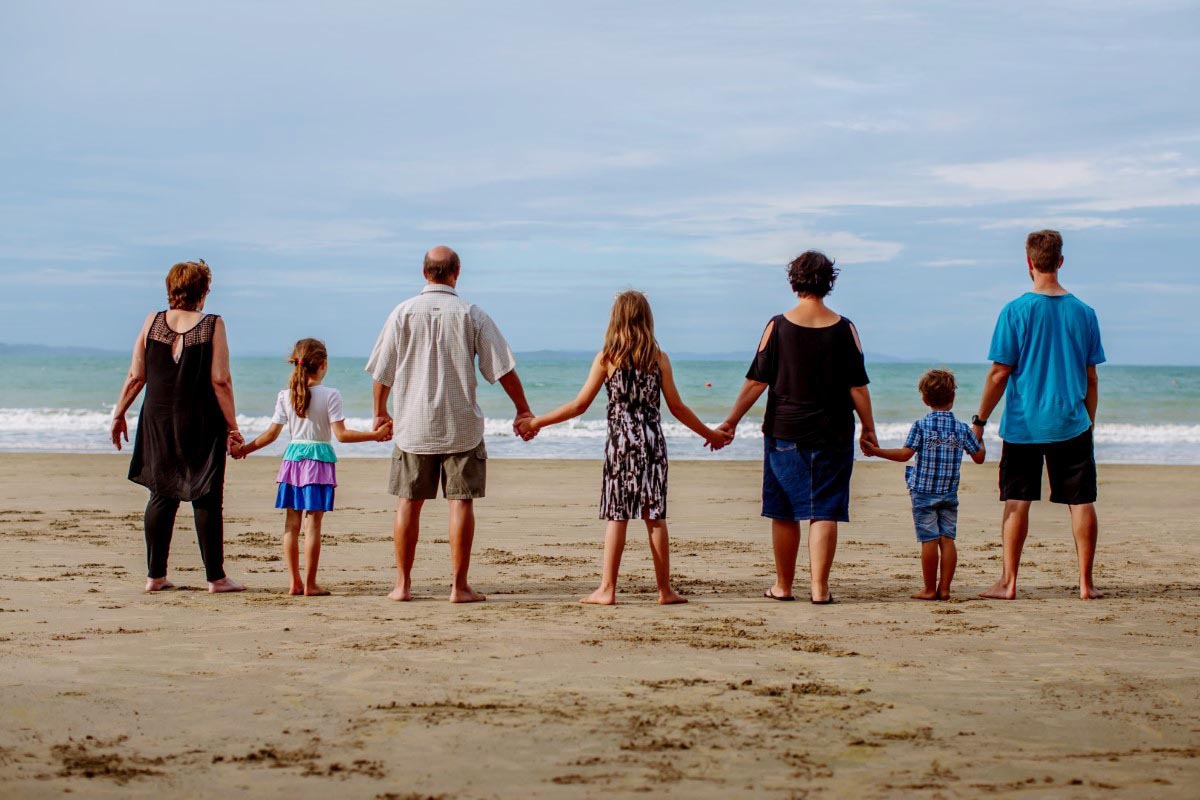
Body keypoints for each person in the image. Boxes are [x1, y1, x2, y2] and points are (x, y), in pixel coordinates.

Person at [517, 290, 731, 605]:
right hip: (652, 443)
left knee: (618, 516)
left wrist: (536, 423)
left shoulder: (607, 357)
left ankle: (608, 589)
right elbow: (677, 407)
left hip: (621, 445)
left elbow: (579, 405)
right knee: (654, 515)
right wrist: (709, 433)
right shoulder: (658, 358)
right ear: (646, 319)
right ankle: (664, 590)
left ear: (616, 318)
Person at [366, 246, 536, 603]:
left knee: (408, 503)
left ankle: (402, 585)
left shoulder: (402, 313)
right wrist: (523, 410)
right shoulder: (471, 314)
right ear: (456, 272)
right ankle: (459, 587)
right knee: (460, 504)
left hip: (414, 426)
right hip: (461, 427)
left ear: (425, 273)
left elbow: (382, 371)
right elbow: (502, 369)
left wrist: (380, 412)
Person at [717, 250, 877, 604]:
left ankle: (784, 586)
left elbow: (756, 382)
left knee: (785, 510)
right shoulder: (846, 328)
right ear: (829, 282)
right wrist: (869, 429)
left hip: (784, 432)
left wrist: (731, 421)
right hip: (834, 432)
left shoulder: (778, 325)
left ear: (794, 281)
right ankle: (820, 589)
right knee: (825, 510)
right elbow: (858, 387)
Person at [971, 230, 1105, 601]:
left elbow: (999, 373)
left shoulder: (1015, 311)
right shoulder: (1085, 313)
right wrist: (1088, 420)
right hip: (1071, 421)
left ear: (1029, 262)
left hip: (1024, 424)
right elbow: (1091, 378)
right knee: (1082, 502)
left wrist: (980, 421)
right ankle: (1085, 584)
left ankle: (1009, 582)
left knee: (1018, 500)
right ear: (1060, 262)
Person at [110, 260, 245, 593]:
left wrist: (118, 413)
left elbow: (136, 376)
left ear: (171, 289)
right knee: (206, 495)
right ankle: (216, 577)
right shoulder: (212, 325)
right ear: (203, 291)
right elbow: (220, 380)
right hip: (200, 419)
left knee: (162, 492)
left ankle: (155, 576)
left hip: (157, 418)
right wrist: (233, 426)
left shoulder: (152, 321)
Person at [231, 338, 393, 596]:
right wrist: (375, 436)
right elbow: (341, 435)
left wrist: (244, 450)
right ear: (323, 364)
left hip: (293, 459)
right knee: (313, 525)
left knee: (291, 525)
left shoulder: (286, 396)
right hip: (319, 461)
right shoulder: (331, 395)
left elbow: (271, 435)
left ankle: (294, 583)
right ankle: (310, 584)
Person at [864, 369, 984, 600]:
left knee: (928, 539)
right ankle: (945, 588)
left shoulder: (921, 425)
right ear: (953, 397)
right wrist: (977, 434)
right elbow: (978, 457)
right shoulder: (961, 428)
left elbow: (904, 454)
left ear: (924, 399)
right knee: (947, 539)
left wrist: (877, 451)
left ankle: (930, 589)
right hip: (949, 492)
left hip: (923, 492)